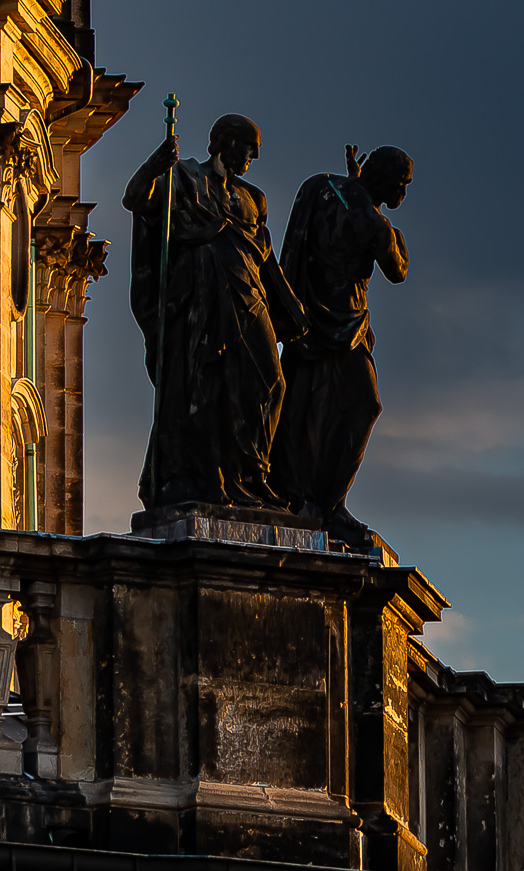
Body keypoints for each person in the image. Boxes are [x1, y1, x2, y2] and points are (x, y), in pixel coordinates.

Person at [125, 113, 307, 509]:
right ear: (224, 142)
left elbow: (265, 258)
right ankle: (210, 478)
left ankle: (252, 474)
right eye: (247, 149)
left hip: (249, 296)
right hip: (201, 297)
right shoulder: (186, 178)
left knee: (270, 384)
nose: (251, 159)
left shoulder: (253, 199)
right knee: (206, 388)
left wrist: (292, 309)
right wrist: (155, 166)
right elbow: (136, 198)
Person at [274, 144, 413, 547]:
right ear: (385, 179)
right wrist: (383, 221)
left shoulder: (320, 187)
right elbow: (398, 270)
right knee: (361, 405)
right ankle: (329, 504)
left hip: (306, 314)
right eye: (402, 185)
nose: (404, 194)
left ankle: (306, 495)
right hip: (343, 318)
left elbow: (294, 242)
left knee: (302, 405)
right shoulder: (374, 223)